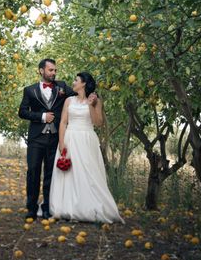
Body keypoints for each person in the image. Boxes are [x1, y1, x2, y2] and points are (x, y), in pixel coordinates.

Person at [49, 72, 124, 224]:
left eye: (76, 80)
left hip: (86, 139)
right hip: (70, 138)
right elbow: (63, 122)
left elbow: (98, 123)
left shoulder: (95, 100)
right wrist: (62, 142)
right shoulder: (69, 100)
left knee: (88, 173)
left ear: (83, 83)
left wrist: (91, 105)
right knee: (69, 173)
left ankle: (88, 208)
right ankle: (67, 208)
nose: (73, 82)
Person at [18, 58, 75, 219]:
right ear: (41, 71)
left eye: (55, 70)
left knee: (51, 174)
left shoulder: (62, 87)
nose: (54, 73)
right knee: (33, 172)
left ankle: (47, 207)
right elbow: (22, 112)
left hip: (55, 139)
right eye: (51, 70)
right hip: (36, 139)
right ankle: (31, 207)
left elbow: (79, 95)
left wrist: (92, 94)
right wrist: (42, 116)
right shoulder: (29, 90)